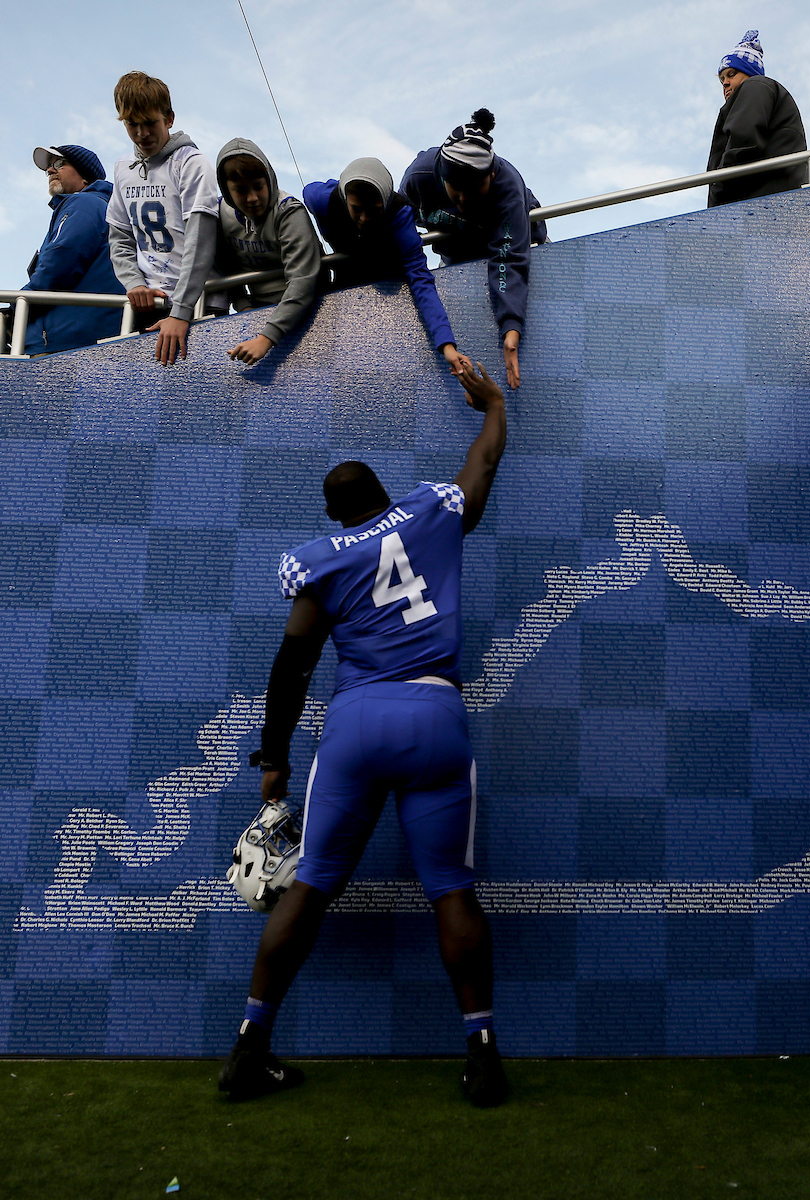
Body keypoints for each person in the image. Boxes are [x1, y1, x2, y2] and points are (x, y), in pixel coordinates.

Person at [219, 361, 508, 1107]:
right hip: (433, 714)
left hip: (357, 722)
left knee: (310, 884)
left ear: (335, 515)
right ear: (382, 494)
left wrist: (273, 758)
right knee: (451, 889)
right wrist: (492, 408)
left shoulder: (323, 562)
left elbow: (294, 663)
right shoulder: (429, 511)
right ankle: (480, 1051)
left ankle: (250, 1047)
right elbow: (481, 464)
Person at [400, 110, 546, 391]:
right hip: (458, 253)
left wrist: (511, 329)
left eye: (475, 188)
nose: (464, 199)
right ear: (442, 175)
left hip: (522, 243)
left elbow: (509, 257)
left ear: (491, 174)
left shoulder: (508, 185)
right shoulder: (419, 178)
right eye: (455, 188)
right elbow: (400, 226)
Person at [302, 158, 470, 378]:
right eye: (356, 209)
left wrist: (446, 344)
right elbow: (307, 191)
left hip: (391, 283)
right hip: (346, 280)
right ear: (344, 197)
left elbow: (421, 279)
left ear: (386, 202)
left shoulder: (399, 216)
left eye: (374, 210)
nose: (364, 218)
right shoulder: (322, 200)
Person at [106, 71, 220, 365]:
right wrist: (133, 284)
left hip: (198, 305)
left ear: (168, 118)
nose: (142, 133)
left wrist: (180, 310)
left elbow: (201, 240)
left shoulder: (192, 163)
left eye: (150, 123)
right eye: (132, 124)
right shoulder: (122, 168)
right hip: (148, 306)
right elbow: (120, 237)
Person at [215, 138, 323, 365]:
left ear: (269, 180)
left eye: (258, 186)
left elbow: (302, 281)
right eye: (241, 191)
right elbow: (225, 268)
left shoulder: (289, 212)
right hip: (257, 313)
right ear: (227, 190)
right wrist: (244, 306)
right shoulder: (220, 215)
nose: (252, 198)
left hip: (311, 315)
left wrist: (266, 338)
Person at [21, 145, 124, 355]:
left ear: (85, 177)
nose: (50, 170)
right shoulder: (96, 205)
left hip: (67, 346)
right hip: (82, 342)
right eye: (49, 167)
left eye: (59, 164)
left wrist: (19, 305)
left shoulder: (84, 203)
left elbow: (61, 262)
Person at [706, 30, 807, 208]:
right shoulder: (762, 93)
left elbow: (743, 141)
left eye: (732, 74)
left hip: (759, 203)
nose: (725, 83)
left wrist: (718, 189)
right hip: (770, 203)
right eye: (722, 79)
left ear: (750, 73)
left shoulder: (755, 86)